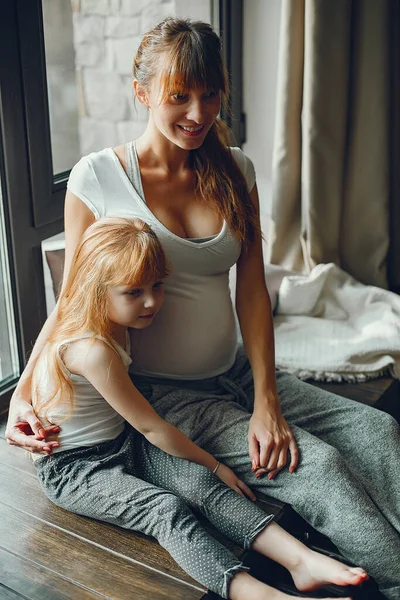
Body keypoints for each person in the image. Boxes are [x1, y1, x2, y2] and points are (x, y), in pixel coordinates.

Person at [6, 16, 400, 599]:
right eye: (178, 96)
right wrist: (19, 397)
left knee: (378, 432)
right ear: (142, 94)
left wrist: (268, 395)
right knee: (319, 470)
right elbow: (72, 304)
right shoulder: (98, 177)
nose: (197, 112)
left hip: (236, 369)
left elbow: (253, 290)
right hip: (164, 393)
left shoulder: (235, 170)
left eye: (209, 94)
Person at [30, 216, 366, 600]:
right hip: (75, 466)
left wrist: (206, 472)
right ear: (96, 289)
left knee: (198, 485)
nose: (153, 301)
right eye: (133, 292)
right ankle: (259, 595)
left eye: (157, 285)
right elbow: (153, 428)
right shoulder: (91, 350)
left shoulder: (114, 322)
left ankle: (300, 560)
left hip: (121, 440)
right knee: (164, 509)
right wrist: (216, 463)